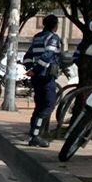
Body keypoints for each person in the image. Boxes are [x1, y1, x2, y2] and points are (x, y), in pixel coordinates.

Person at [23, 14, 65, 146]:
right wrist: (36, 70)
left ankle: (33, 132)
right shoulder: (53, 38)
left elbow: (28, 56)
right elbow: (48, 55)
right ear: (55, 25)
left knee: (39, 105)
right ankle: (36, 135)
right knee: (48, 105)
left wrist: (31, 69)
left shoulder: (37, 37)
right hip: (46, 77)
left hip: (36, 77)